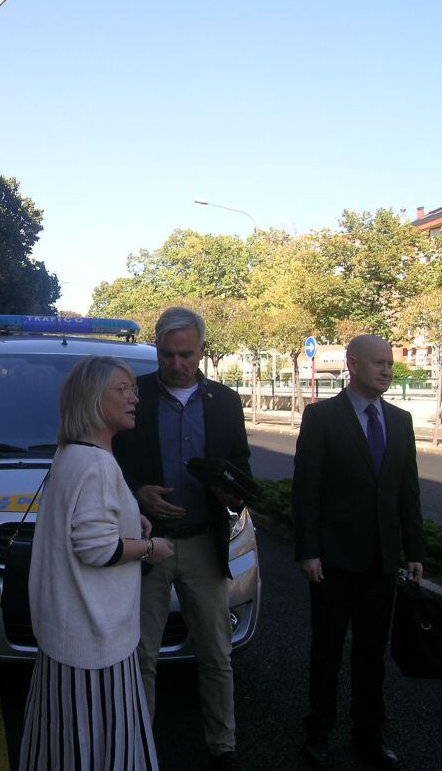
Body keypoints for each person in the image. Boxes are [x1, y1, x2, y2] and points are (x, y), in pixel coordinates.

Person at [112, 306, 251, 771]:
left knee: (216, 654)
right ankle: (138, 748)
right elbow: (106, 460)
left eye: (185, 354)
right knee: (141, 656)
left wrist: (229, 491)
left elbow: (243, 471)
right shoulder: (133, 395)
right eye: (167, 354)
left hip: (202, 545)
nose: (176, 364)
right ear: (156, 350)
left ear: (201, 351)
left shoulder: (227, 403)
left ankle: (222, 746)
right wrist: (136, 494)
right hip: (146, 546)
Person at [20, 356, 174, 771]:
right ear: (92, 400)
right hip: (95, 642)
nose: (134, 398)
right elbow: (97, 550)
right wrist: (151, 547)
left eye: (133, 389)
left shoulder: (71, 454)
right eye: (121, 390)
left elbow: (91, 525)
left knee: (62, 744)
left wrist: (131, 519)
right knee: (101, 745)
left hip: (66, 635)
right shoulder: (98, 463)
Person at [292, 334, 425, 769]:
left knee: (372, 653)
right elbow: (306, 489)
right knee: (327, 651)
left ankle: (369, 732)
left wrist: (413, 550)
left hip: (382, 561)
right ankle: (318, 730)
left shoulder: (400, 421)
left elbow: (407, 492)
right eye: (378, 363)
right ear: (352, 365)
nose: (386, 370)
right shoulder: (322, 417)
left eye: (389, 363)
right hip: (332, 560)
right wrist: (308, 551)